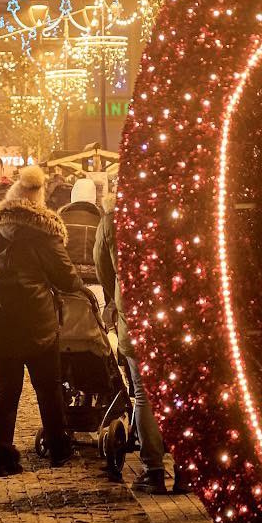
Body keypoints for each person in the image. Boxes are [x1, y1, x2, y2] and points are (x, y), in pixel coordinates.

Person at [0, 164, 84, 476]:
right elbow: (66, 278)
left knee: (5, 393)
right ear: (38, 199)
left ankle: (3, 457)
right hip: (36, 324)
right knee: (48, 389)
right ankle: (58, 449)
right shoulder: (43, 233)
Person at [95, 192, 168, 494]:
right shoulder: (171, 212)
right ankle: (188, 471)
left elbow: (102, 265)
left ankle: (154, 469)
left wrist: (114, 296)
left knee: (144, 392)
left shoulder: (112, 220)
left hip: (135, 313)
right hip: (174, 312)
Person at [58, 176, 102, 293]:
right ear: (94, 198)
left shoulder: (59, 221)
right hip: (97, 284)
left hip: (65, 283)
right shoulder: (101, 223)